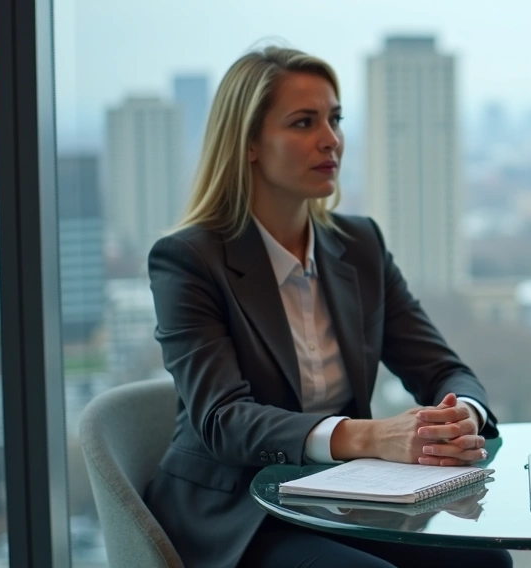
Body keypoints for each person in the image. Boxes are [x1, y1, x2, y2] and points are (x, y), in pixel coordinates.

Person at [143, 46, 511, 568]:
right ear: (249, 143)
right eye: (303, 122)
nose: (330, 139)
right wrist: (371, 435)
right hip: (235, 515)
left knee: (485, 563)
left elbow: (442, 369)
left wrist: (460, 419)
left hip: (342, 497)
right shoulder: (189, 260)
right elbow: (224, 420)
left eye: (334, 119)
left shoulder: (359, 245)